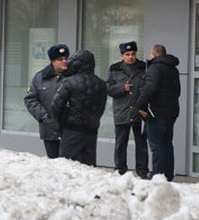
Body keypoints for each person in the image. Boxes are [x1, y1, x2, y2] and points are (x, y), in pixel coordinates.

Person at [132, 44, 180, 181]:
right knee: (167, 143)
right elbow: (178, 91)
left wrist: (139, 106)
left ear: (153, 55)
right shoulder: (173, 69)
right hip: (172, 111)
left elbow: (149, 90)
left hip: (157, 112)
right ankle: (168, 175)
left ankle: (157, 175)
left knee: (157, 144)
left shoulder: (154, 69)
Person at [51, 50, 107, 166]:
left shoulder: (69, 82)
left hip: (71, 130)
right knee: (89, 169)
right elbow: (101, 108)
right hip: (91, 131)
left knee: (67, 167)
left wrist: (62, 122)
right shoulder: (101, 84)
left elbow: (56, 107)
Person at [107, 41, 149, 177]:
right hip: (122, 111)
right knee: (120, 143)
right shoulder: (115, 69)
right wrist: (121, 88)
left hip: (139, 111)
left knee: (141, 143)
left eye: (133, 54)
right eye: (127, 54)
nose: (131, 57)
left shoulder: (144, 68)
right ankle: (120, 170)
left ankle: (142, 171)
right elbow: (108, 88)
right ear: (122, 56)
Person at [24, 44, 69, 158]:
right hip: (50, 130)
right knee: (53, 165)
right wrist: (44, 117)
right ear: (53, 61)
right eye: (60, 59)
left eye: (66, 58)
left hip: (71, 130)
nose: (64, 61)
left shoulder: (73, 76)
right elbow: (30, 99)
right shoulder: (40, 77)